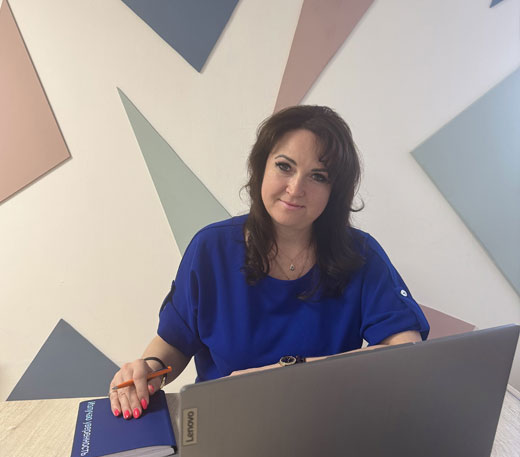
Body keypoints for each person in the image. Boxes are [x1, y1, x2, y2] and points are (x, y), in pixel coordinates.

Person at [109, 105, 429, 420]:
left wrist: (285, 371)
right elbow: (174, 343)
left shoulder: (361, 255)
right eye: (285, 166)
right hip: (224, 422)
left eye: (318, 176)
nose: (295, 188)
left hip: (328, 424)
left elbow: (406, 351)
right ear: (261, 167)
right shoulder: (210, 248)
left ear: (335, 191)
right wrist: (147, 370)